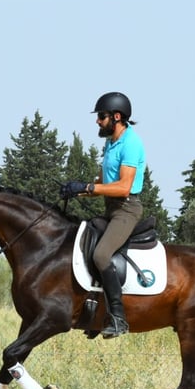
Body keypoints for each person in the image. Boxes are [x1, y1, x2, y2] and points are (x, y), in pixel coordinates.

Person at [61, 91, 146, 338]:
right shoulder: (111, 143)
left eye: (101, 116)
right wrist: (76, 190)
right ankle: (95, 312)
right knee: (82, 242)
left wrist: (88, 188)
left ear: (116, 117)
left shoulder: (131, 143)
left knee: (100, 254)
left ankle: (119, 319)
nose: (98, 121)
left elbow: (123, 187)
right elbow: (102, 183)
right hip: (111, 208)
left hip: (127, 209)